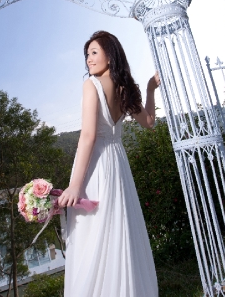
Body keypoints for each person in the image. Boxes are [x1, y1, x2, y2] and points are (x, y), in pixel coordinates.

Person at [58, 30, 160, 297]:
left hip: (97, 165)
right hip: (118, 164)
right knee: (118, 228)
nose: (89, 59)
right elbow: (149, 122)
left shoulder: (91, 85)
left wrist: (74, 186)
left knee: (92, 233)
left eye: (94, 52)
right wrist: (150, 89)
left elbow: (89, 136)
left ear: (109, 54)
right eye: (87, 54)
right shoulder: (125, 87)